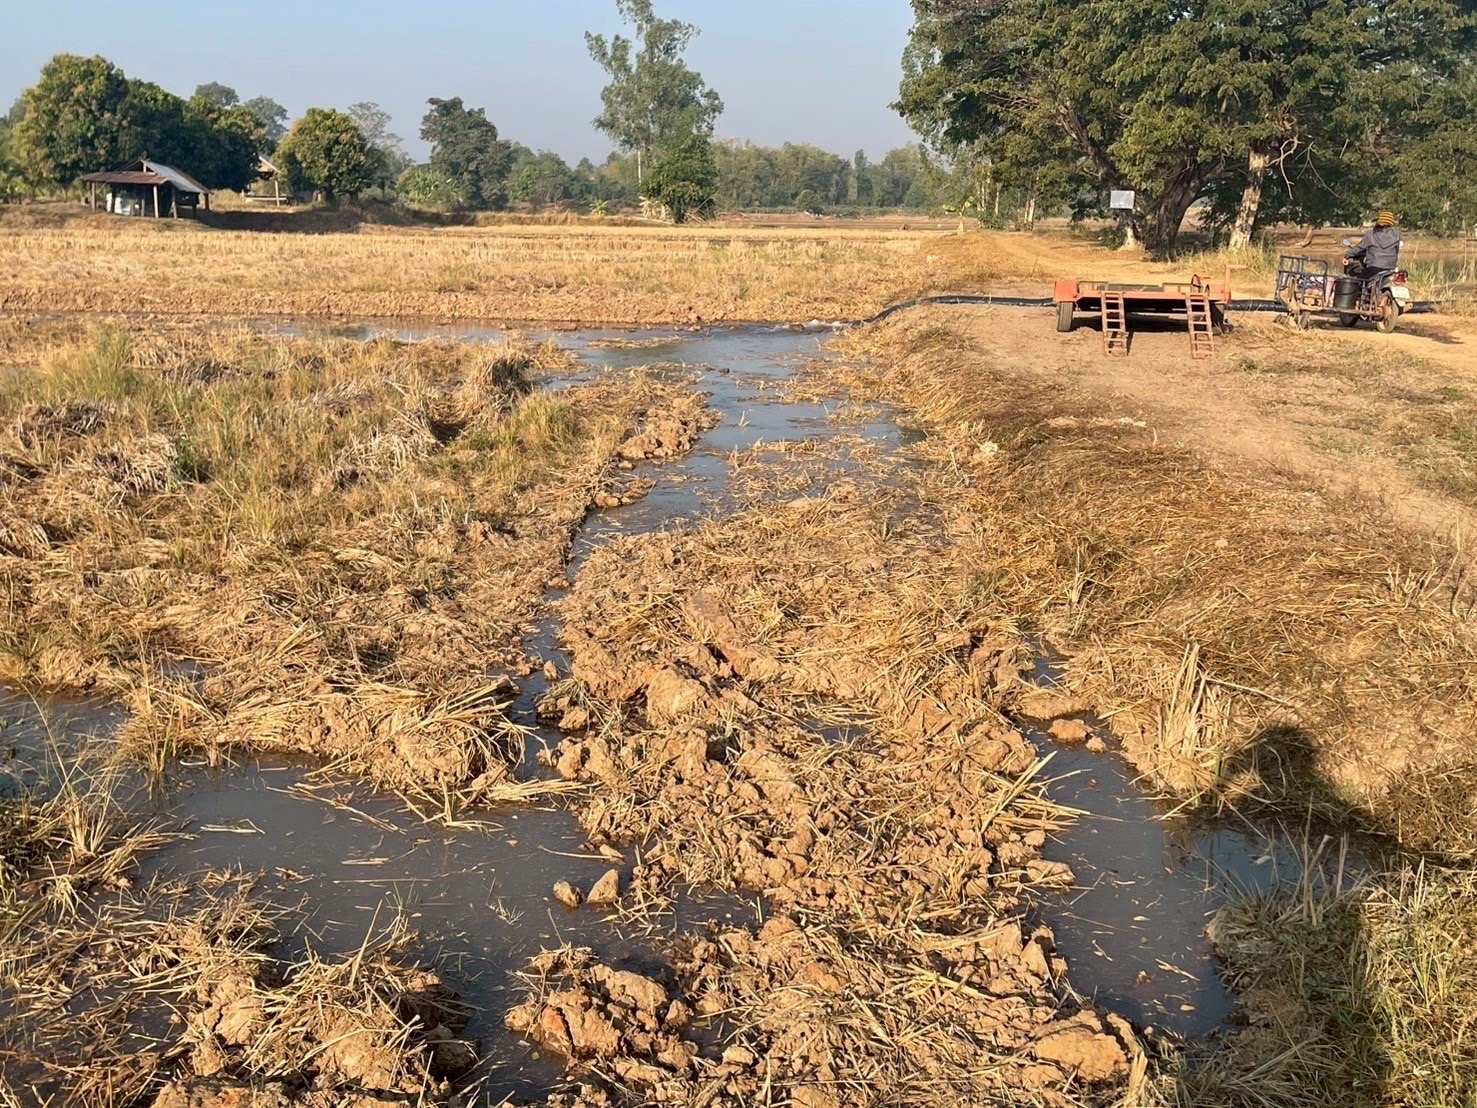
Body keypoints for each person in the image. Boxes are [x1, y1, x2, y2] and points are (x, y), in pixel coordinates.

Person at [1346, 210, 1403, 283]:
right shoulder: (1396, 234)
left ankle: (1362, 294)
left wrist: (1347, 254)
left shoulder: (1371, 234)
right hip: (1391, 268)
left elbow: (1359, 248)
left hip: (1374, 268)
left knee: (1358, 281)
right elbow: (1396, 250)